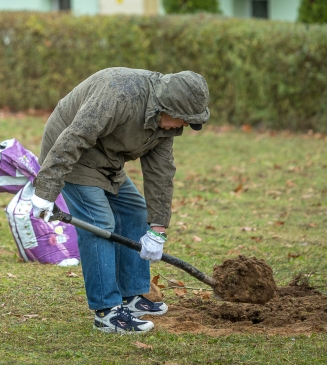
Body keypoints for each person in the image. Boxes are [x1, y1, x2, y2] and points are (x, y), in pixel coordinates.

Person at [30, 68, 210, 334]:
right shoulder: (118, 94)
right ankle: (107, 312)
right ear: (166, 106)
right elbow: (74, 137)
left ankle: (132, 295)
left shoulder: (164, 123)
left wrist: (158, 228)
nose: (182, 127)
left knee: (134, 210)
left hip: (107, 160)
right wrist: (45, 191)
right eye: (182, 120)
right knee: (99, 222)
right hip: (73, 155)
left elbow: (160, 172)